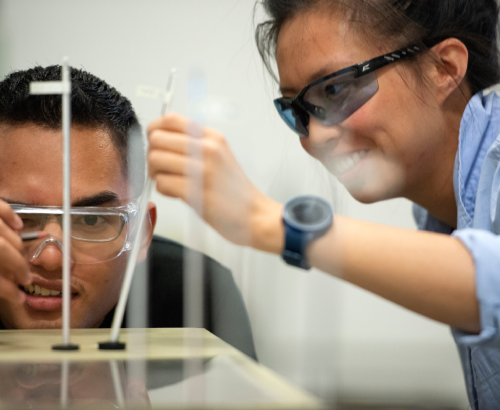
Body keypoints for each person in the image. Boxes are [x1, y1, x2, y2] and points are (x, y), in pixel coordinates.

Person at [147, 0, 500, 407]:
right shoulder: (442, 213)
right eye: (297, 111)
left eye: (334, 89)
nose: (315, 138)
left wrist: (270, 222)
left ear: (445, 68)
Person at [0, 66, 257, 360]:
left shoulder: (193, 295)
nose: (50, 258)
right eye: (18, 217)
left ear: (142, 234)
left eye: (90, 220)